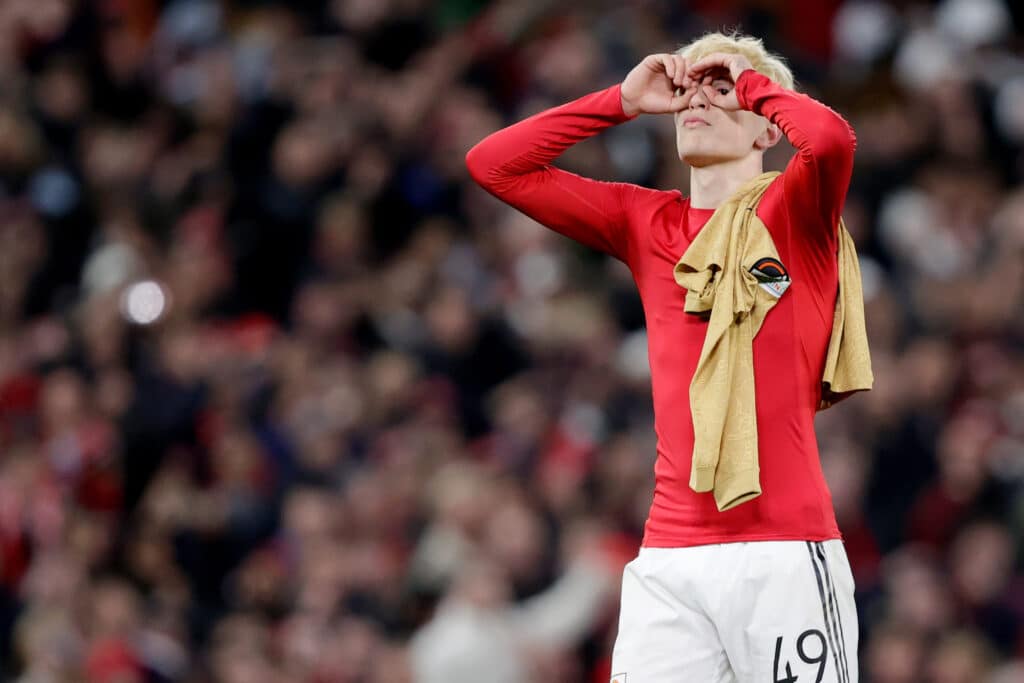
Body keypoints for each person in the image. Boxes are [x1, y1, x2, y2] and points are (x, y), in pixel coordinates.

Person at [466, 31, 864, 682]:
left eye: (719, 88)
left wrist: (755, 84)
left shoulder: (796, 214)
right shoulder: (646, 222)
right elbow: (493, 164)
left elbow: (830, 141)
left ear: (766, 129)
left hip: (785, 551)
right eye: (688, 90)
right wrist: (619, 101)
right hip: (671, 555)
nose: (697, 101)